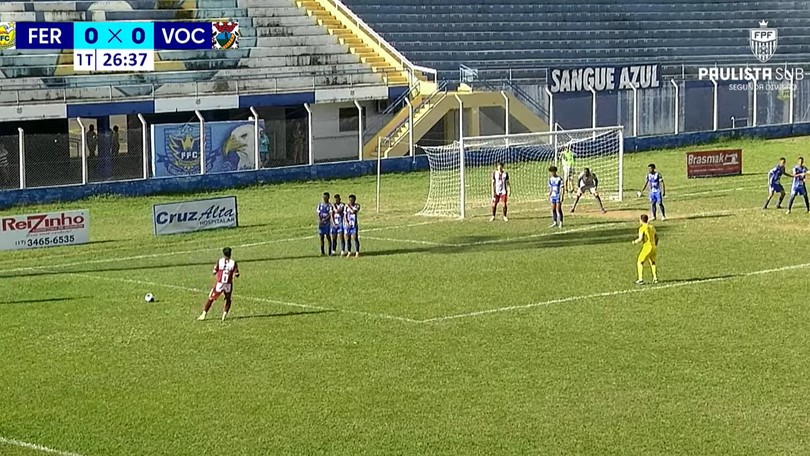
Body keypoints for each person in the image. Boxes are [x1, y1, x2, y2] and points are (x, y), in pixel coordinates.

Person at [198, 247, 240, 321]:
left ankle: (204, 314)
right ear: (230, 254)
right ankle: (224, 315)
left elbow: (214, 271)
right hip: (228, 284)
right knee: (228, 299)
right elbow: (237, 274)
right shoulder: (233, 262)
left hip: (220, 284)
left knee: (211, 298)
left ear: (223, 254)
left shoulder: (219, 261)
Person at [632, 214, 659, 285]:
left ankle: (640, 279)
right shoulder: (652, 227)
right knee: (652, 262)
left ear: (641, 220)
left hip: (647, 247)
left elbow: (640, 238)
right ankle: (655, 278)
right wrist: (655, 244)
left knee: (639, 262)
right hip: (653, 246)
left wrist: (635, 241)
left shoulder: (642, 228)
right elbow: (656, 236)